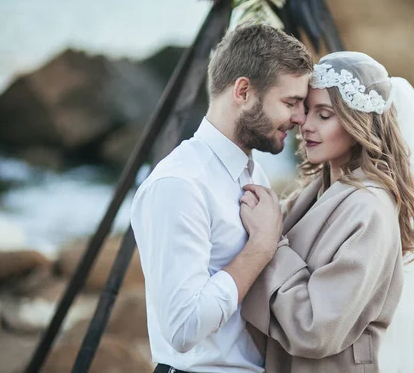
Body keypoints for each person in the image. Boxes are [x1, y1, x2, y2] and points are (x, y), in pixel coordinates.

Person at [240, 51, 414, 372]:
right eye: (306, 111)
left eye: (324, 115)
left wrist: (268, 243)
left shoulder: (370, 209)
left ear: (357, 124)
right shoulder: (317, 191)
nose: (304, 125)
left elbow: (317, 329)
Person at [130, 24, 313, 373]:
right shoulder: (179, 184)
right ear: (243, 90)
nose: (300, 118)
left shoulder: (253, 174)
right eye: (290, 102)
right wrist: (259, 247)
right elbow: (184, 328)